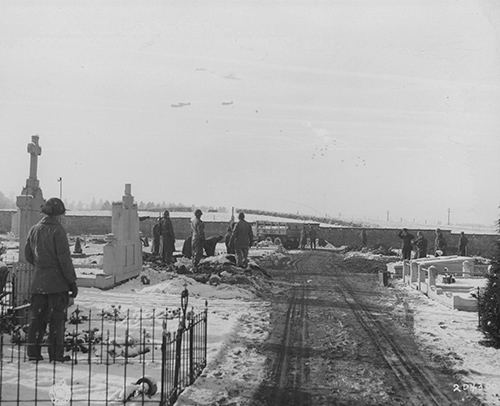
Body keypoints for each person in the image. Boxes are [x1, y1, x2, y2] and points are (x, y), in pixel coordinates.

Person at [25, 197, 78, 362]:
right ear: (58, 214)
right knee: (56, 321)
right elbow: (64, 259)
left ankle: (33, 353)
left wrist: (42, 267)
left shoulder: (34, 229)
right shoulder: (58, 231)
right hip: (56, 284)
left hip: (38, 283)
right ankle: (56, 355)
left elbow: (28, 254)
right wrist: (71, 281)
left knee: (37, 320)